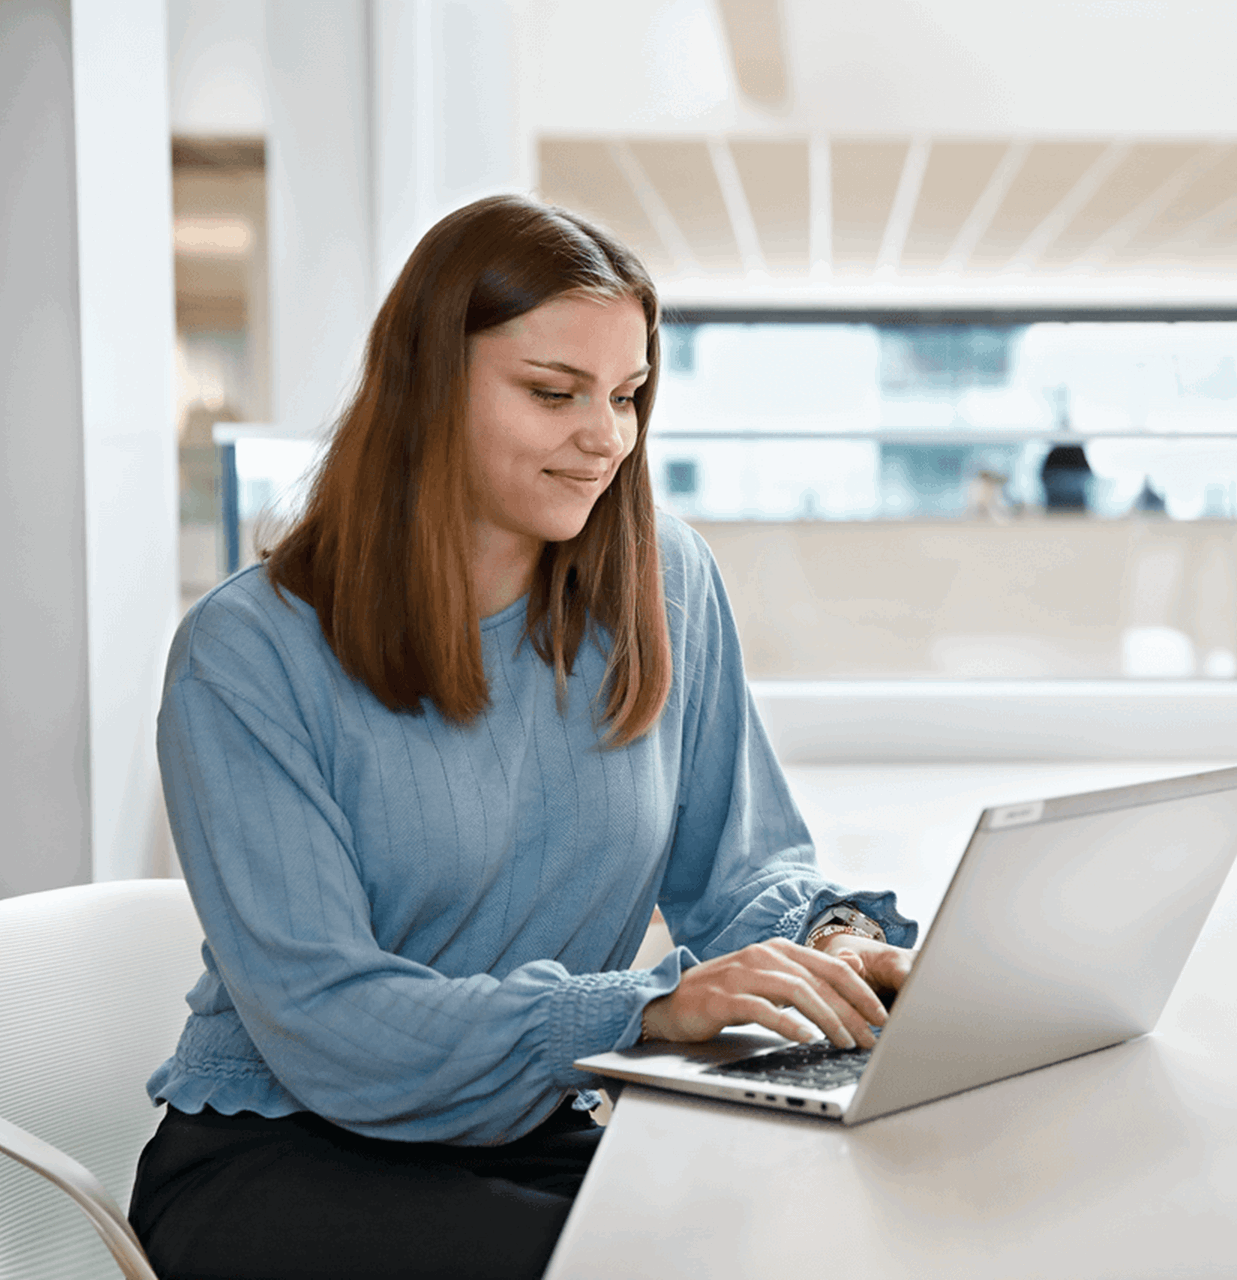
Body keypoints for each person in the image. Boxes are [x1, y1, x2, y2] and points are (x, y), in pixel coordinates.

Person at [127, 194, 917, 1280]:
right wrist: (645, 1007)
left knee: (815, 1225)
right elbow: (330, 1022)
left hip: (534, 1120)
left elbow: (740, 870)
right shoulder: (247, 652)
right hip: (288, 1150)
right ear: (424, 387)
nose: (606, 438)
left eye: (628, 394)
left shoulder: (663, 582)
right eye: (554, 393)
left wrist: (829, 949)